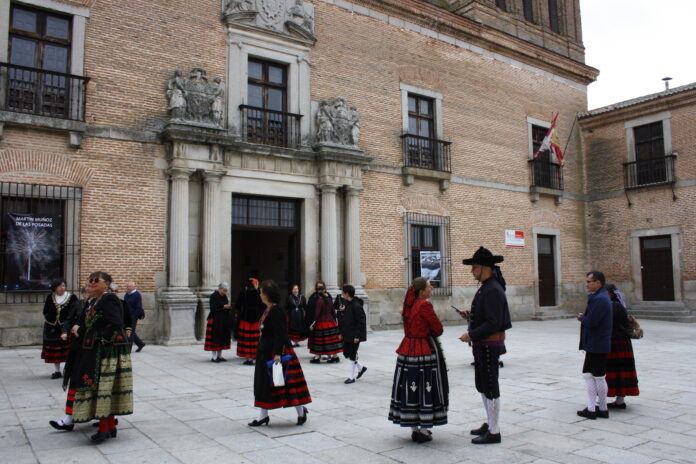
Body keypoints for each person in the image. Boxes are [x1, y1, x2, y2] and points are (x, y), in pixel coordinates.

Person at [49, 271, 133, 443]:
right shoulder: (93, 301)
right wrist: (79, 328)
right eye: (90, 280)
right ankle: (109, 427)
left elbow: (116, 323)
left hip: (104, 353)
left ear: (107, 284)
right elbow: (87, 321)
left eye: (96, 281)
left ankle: (105, 428)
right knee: (100, 389)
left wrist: (100, 338)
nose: (91, 283)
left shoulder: (109, 299)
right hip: (93, 351)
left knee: (103, 388)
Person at [459, 247, 512, 445]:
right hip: (482, 345)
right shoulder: (486, 287)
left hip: (489, 344)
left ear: (484, 267)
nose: (471, 271)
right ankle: (490, 422)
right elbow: (486, 315)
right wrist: (470, 316)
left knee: (490, 385)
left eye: (474, 267)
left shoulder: (493, 289)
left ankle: (495, 430)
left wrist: (471, 334)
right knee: (482, 384)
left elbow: (493, 322)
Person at [389, 277, 448, 443]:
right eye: (429, 287)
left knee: (410, 386)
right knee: (425, 386)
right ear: (422, 291)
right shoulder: (425, 305)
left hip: (407, 350)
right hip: (423, 349)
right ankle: (424, 428)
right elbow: (438, 329)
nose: (432, 289)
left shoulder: (409, 305)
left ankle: (414, 428)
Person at [249, 280, 312, 427]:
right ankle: (262, 415)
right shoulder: (267, 309)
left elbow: (280, 332)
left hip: (276, 351)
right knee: (265, 384)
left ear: (267, 294)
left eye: (261, 292)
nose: (260, 294)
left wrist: (278, 353)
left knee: (288, 384)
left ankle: (301, 412)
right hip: (265, 351)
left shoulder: (277, 310)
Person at [577, 270, 613, 420]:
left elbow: (592, 322)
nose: (587, 284)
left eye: (589, 281)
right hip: (598, 342)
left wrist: (582, 318)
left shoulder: (600, 299)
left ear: (598, 282)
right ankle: (602, 408)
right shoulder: (601, 297)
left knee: (590, 375)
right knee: (598, 375)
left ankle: (592, 409)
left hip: (596, 343)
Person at [605, 284, 639, 409]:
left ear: (611, 294)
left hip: (615, 342)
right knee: (622, 371)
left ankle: (614, 400)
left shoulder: (612, 306)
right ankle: (620, 400)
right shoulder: (620, 305)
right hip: (623, 342)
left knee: (615, 371)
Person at [41, 279, 80, 379]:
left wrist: (70, 323)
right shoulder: (50, 297)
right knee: (54, 350)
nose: (62, 288)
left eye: (63, 286)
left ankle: (68, 370)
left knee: (68, 349)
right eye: (60, 286)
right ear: (55, 288)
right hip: (52, 327)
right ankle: (57, 371)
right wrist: (50, 319)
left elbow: (76, 311)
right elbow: (45, 310)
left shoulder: (72, 297)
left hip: (66, 327)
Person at [338, 285, 367, 384]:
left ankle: (351, 377)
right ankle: (361, 368)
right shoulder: (347, 304)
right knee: (346, 353)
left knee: (352, 355)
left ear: (346, 294)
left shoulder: (356, 306)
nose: (342, 295)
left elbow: (361, 322)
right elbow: (345, 320)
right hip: (347, 334)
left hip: (354, 335)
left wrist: (357, 336)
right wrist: (341, 333)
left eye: (343, 293)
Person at [308, 283, 343, 363]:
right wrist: (335, 322)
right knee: (332, 341)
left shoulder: (320, 301)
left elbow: (317, 314)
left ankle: (317, 358)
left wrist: (312, 324)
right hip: (331, 323)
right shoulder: (330, 300)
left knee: (319, 342)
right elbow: (333, 312)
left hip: (322, 323)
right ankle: (335, 357)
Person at [235, 278, 264, 365]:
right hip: (256, 318)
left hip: (245, 318)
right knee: (255, 338)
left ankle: (248, 358)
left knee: (246, 338)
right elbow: (262, 306)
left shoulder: (243, 293)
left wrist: (239, 315)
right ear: (255, 284)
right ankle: (255, 357)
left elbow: (237, 305)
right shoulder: (259, 294)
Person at [205, 283, 234, 362]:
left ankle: (219, 356)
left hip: (223, 319)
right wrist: (223, 306)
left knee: (222, 337)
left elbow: (226, 304)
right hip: (215, 319)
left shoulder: (224, 296)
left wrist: (228, 307)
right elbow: (213, 308)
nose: (225, 292)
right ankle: (214, 357)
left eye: (226, 291)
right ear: (220, 289)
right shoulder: (213, 296)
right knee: (215, 338)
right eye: (224, 290)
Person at [124, 282, 146, 352]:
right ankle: (140, 344)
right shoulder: (126, 294)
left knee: (130, 331)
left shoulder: (137, 295)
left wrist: (133, 317)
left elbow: (139, 308)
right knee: (130, 331)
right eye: (126, 287)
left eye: (128, 287)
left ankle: (128, 349)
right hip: (127, 316)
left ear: (133, 287)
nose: (127, 288)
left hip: (133, 317)